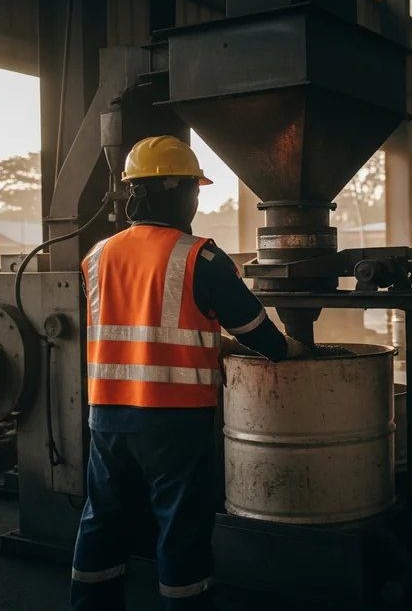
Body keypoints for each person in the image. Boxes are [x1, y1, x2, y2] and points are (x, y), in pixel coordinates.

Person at [70, 135, 307, 611]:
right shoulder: (201, 257)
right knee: (181, 525)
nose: (197, 199)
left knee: (103, 519)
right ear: (178, 191)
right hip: (173, 419)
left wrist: (211, 343)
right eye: (195, 189)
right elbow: (257, 331)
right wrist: (292, 349)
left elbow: (137, 327)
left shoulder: (97, 255)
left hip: (107, 415)